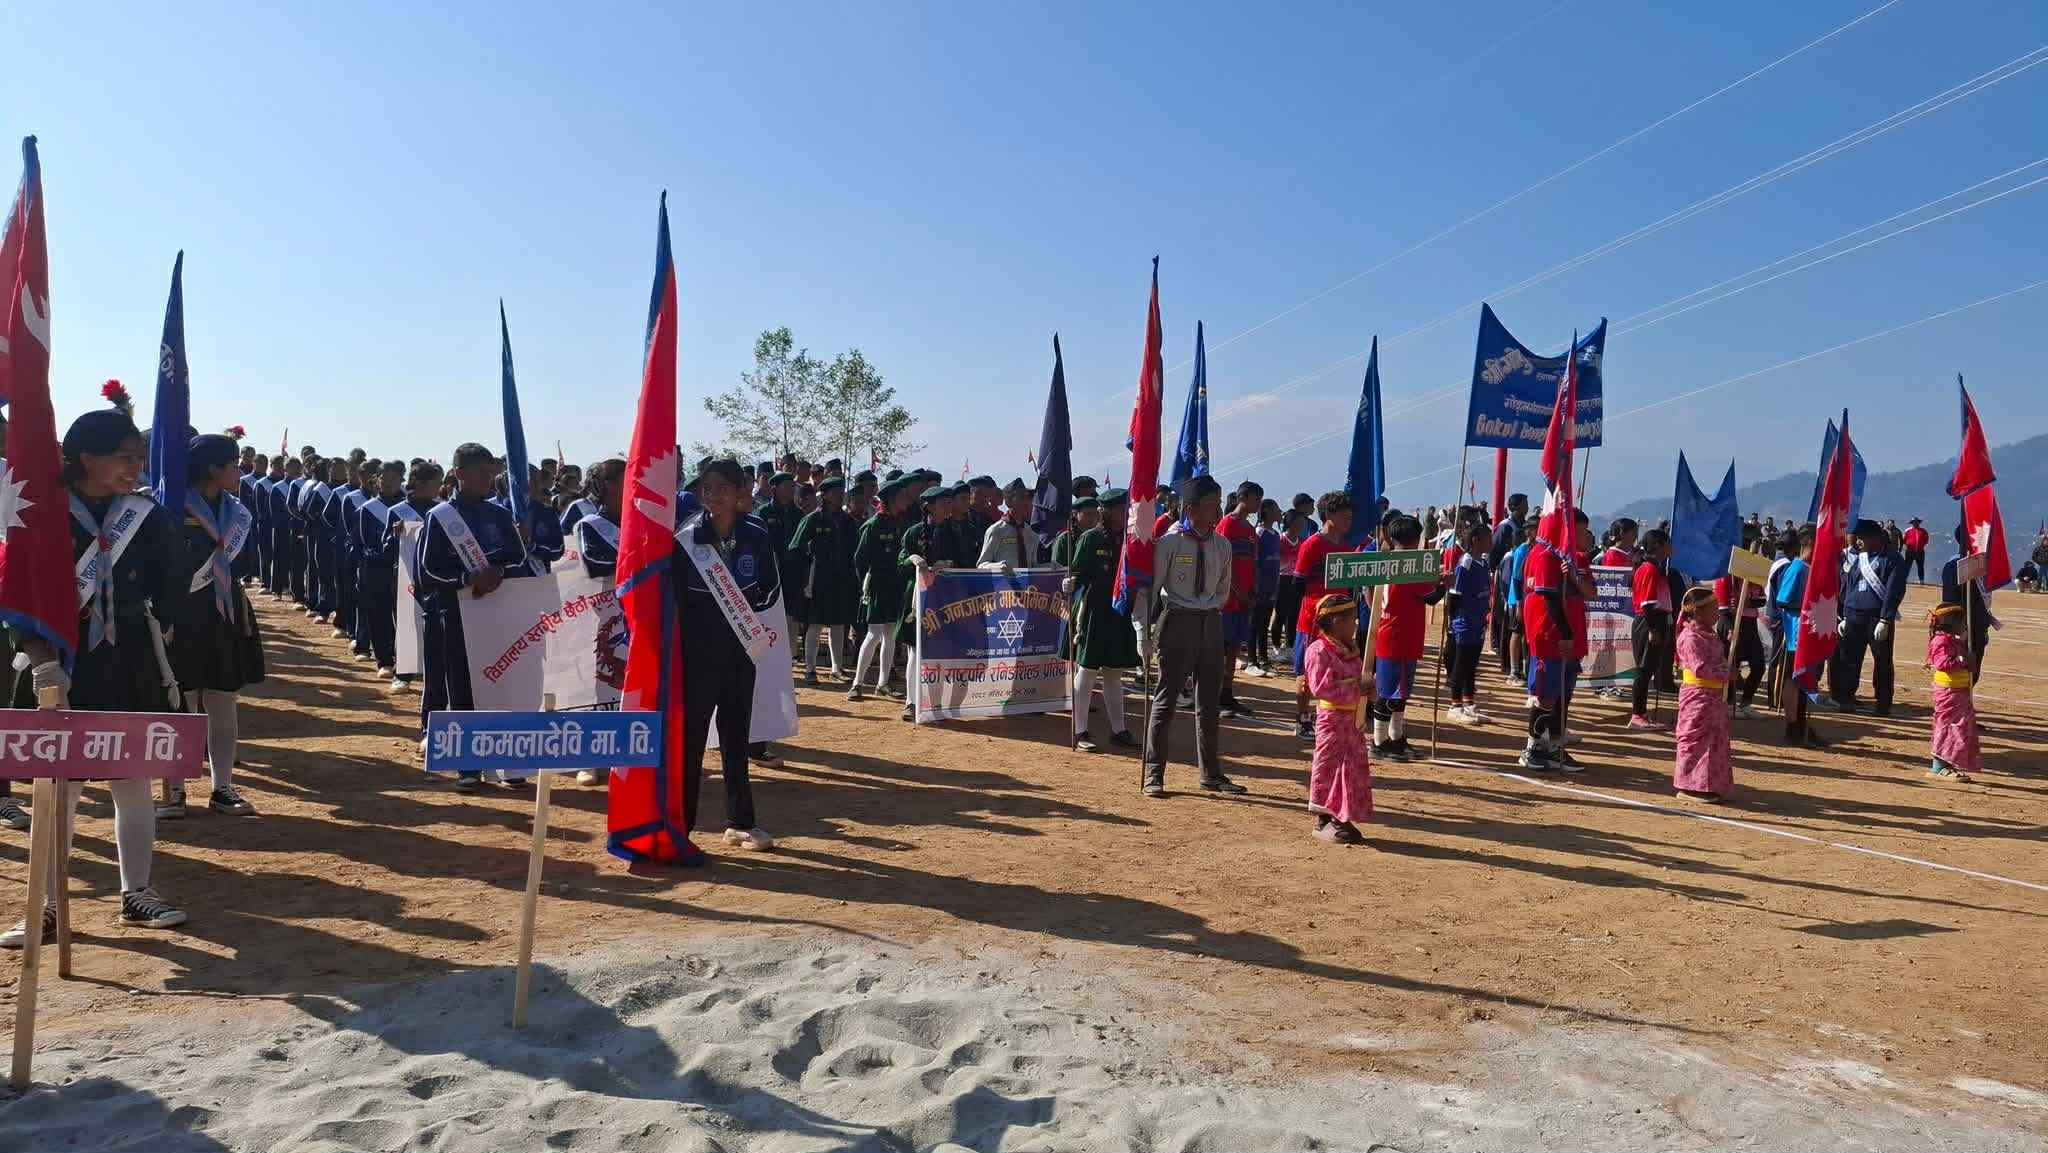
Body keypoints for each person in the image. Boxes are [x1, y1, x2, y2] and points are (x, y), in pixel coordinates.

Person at [2, 408, 189, 948]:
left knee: (132, 779)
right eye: (124, 458)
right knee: (60, 787)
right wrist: (41, 661)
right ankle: (46, 904)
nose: (135, 468)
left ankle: (137, 892)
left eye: (139, 458)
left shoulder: (146, 516)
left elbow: (168, 585)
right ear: (87, 457)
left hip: (128, 656)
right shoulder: (42, 513)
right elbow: (18, 593)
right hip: (64, 658)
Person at [674, 458, 780, 853]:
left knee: (736, 737)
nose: (713, 495)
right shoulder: (686, 538)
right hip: (698, 655)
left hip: (740, 653)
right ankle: (680, 827)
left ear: (740, 494)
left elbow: (771, 586)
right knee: (691, 742)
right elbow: (674, 599)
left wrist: (743, 612)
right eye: (707, 488)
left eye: (722, 488)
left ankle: (740, 823)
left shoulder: (756, 533)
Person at [161, 432, 267, 819]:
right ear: (212, 468)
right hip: (183, 613)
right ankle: (175, 787)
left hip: (224, 614)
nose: (240, 471)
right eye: (233, 464)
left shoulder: (237, 513)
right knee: (183, 702)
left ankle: (222, 786)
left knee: (223, 699)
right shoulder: (172, 508)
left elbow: (245, 563)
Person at [415, 443, 528, 792]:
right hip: (457, 615)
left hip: (499, 613)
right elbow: (428, 570)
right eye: (480, 472)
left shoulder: (499, 515)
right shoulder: (440, 517)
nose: (487, 479)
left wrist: (498, 573)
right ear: (460, 474)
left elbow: (519, 559)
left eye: (490, 473)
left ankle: (508, 760)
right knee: (462, 688)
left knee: (504, 686)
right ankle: (468, 765)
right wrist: (467, 579)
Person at [1143, 476, 1242, 797]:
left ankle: (1211, 773)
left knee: (1209, 703)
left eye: (1219, 504)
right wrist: (1145, 633)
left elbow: (1223, 587)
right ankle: (1154, 773)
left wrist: (1210, 608)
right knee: (1166, 699)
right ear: (1191, 509)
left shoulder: (1222, 544)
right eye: (1211, 505)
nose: (1217, 511)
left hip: (1210, 622)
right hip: (1177, 621)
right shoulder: (1170, 542)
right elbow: (1153, 589)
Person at [1067, 489, 1141, 752]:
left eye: (1126, 509)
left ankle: (1119, 730)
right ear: (1106, 511)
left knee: (1113, 672)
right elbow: (1077, 574)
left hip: (1118, 611)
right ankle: (1079, 730)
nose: (1125, 514)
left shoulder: (1128, 539)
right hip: (1094, 610)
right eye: (1120, 509)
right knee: (1087, 671)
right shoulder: (1091, 538)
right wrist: (1070, 584)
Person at [1521, 509, 1594, 772]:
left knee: (1562, 694)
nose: (1586, 537)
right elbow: (1549, 598)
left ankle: (1553, 746)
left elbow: (1591, 593)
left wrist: (1574, 576)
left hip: (1569, 638)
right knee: (1546, 695)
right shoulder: (1544, 555)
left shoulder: (1574, 559)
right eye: (1581, 532)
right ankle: (1532, 748)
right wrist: (1565, 633)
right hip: (1551, 637)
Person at [1370, 514, 1445, 760]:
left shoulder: (1388, 561)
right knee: (1390, 693)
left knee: (1399, 693)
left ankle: (1396, 736)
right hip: (1399, 636)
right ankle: (1379, 741)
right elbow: (1431, 597)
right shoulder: (1408, 567)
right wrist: (1445, 584)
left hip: (1396, 633)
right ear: (1415, 539)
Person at [1303, 593, 1371, 844]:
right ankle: (1323, 818)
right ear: (1336, 622)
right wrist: (1357, 687)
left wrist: (1369, 688)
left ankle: (1341, 815)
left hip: (1353, 722)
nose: (1355, 624)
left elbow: (1361, 681)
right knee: (1329, 767)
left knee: (1351, 769)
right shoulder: (1318, 651)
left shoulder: (1352, 650)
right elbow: (1321, 688)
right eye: (1352, 619)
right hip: (1332, 721)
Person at [1291, 492, 1352, 741]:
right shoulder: (1312, 545)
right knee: (1306, 673)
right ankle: (1302, 719)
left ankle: (1330, 716)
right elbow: (1298, 585)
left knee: (1338, 670)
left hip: (1341, 624)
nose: (1349, 519)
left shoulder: (1347, 547)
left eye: (1350, 515)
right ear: (1329, 515)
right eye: (1344, 515)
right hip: (1313, 622)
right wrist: (1318, 608)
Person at [1830, 519, 1907, 714]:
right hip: (1853, 615)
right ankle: (1846, 698)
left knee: (1882, 661)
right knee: (1849, 659)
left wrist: (1885, 619)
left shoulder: (1893, 559)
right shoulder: (1859, 558)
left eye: (1862, 538)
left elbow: (1894, 590)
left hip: (1876, 618)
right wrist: (1844, 615)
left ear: (1875, 538)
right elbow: (1848, 586)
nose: (1858, 542)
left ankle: (1882, 703)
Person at [849, 476, 914, 702]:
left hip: (896, 586)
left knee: (890, 634)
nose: (905, 499)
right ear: (890, 498)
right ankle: (857, 683)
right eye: (901, 496)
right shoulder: (873, 525)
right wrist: (865, 586)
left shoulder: (901, 522)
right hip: (877, 585)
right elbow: (859, 559)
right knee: (874, 633)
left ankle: (883, 683)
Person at [792, 475, 858, 685]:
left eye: (841, 491)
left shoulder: (848, 521)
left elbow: (854, 550)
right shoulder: (813, 519)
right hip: (818, 579)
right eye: (836, 492)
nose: (840, 495)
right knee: (815, 623)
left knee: (838, 624)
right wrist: (807, 571)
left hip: (841, 579)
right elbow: (796, 547)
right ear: (826, 495)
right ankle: (810, 669)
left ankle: (836, 668)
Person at [1673, 586, 1733, 802]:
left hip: (1714, 698)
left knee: (1715, 740)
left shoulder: (1710, 634)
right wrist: (1726, 674)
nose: (1718, 613)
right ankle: (1690, 786)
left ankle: (1711, 785)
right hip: (1697, 697)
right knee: (1696, 740)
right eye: (1713, 609)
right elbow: (1700, 669)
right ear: (1698, 612)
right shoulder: (1690, 638)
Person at [1772, 526, 1827, 749]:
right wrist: (1807, 607)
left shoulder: (1811, 568)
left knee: (1805, 681)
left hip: (1809, 633)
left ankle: (1802, 725)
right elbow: (1783, 600)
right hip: (1796, 635)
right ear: (1809, 542)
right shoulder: (1796, 568)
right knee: (1794, 681)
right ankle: (1793, 726)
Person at [355, 459, 406, 677]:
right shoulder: (367, 509)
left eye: (394, 478)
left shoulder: (408, 507)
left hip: (405, 569)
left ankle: (405, 659)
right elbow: (361, 542)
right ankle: (384, 660)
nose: (389, 482)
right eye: (385, 477)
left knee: (405, 616)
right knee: (379, 615)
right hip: (376, 568)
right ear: (377, 480)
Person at [1713, 526, 1767, 719]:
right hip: (1731, 623)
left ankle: (1746, 703)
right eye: (1755, 541)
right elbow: (1722, 608)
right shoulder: (1726, 574)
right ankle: (1727, 703)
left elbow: (1762, 599)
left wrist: (1747, 602)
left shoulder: (1755, 571)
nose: (1758, 545)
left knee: (1759, 665)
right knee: (1730, 666)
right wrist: (1729, 628)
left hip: (1750, 624)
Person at [1218, 480, 1262, 717]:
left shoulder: (1250, 529)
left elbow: (1252, 562)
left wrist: (1252, 590)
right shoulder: (1228, 523)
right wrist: (1237, 591)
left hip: (1244, 600)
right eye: (1256, 499)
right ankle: (1213, 695)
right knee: (1221, 648)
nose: (1258, 504)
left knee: (1234, 648)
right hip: (1228, 599)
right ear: (1242, 498)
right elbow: (1222, 562)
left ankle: (1227, 694)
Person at [1626, 529, 1677, 730]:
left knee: (1648, 670)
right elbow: (1647, 604)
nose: (1671, 547)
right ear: (1658, 546)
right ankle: (1638, 715)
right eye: (1668, 543)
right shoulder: (1649, 569)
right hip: (1649, 622)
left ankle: (1642, 713)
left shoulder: (1656, 568)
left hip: (1655, 621)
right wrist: (1653, 630)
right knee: (1644, 670)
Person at [1925, 603, 1980, 782]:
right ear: (1951, 623)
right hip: (1948, 691)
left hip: (1959, 690)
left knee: (1958, 726)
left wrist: (1967, 655)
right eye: (1962, 622)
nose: (1965, 625)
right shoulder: (1940, 641)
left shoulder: (1953, 640)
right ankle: (1939, 767)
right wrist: (1963, 659)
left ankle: (1946, 764)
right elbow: (1942, 663)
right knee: (1949, 726)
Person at [1445, 522, 1492, 724]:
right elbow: (1455, 595)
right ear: (1476, 540)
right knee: (1461, 664)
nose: (1491, 542)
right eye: (1488, 539)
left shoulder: (1484, 563)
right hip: (1464, 622)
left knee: (1472, 664)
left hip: (1478, 622)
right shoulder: (1465, 563)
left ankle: (1469, 703)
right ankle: (1455, 705)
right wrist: (1452, 623)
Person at [1938, 521, 1995, 682]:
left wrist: (1984, 624)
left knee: (1973, 673)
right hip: (1962, 628)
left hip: (1978, 627)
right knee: (1959, 673)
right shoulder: (1954, 566)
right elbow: (1950, 602)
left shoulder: (1983, 565)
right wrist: (1956, 630)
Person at [1248, 498, 1283, 676]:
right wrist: (1255, 586)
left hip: (1271, 587)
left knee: (1264, 625)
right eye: (1276, 508)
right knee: (1254, 624)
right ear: (1267, 510)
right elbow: (1254, 562)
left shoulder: (1275, 535)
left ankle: (1263, 660)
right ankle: (1251, 661)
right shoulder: (1258, 533)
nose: (1280, 511)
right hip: (1259, 588)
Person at [976, 478, 1039, 570]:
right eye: (1021, 497)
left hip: (1027, 580)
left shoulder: (1031, 533)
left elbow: (1033, 567)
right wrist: (997, 566)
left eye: (1027, 498)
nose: (1026, 502)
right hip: (1003, 579)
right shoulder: (996, 530)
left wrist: (1050, 567)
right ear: (1009, 501)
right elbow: (981, 565)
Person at [1902, 517, 1930, 584]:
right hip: (1910, 551)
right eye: (1914, 522)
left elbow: (1926, 540)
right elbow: (1904, 540)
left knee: (1920, 566)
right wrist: (1909, 545)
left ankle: (1921, 580)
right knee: (1907, 566)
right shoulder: (1907, 530)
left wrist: (1921, 546)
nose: (1915, 523)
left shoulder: (1923, 531)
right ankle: (1904, 579)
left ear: (1919, 523)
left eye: (1917, 522)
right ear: (1912, 523)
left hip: (1920, 551)